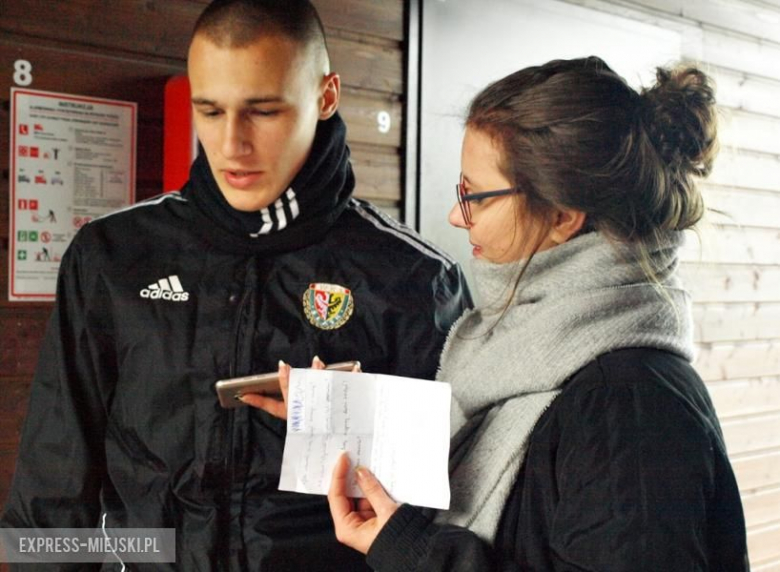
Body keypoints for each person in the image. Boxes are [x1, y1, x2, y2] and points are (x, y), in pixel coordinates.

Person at [0, 1, 471, 570]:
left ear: (325, 96)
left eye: (263, 111)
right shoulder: (112, 256)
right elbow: (52, 490)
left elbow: (451, 506)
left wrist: (359, 420)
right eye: (211, 111)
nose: (230, 145)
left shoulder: (412, 277)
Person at [321, 57, 749, 570]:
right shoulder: (532, 347)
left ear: (563, 217)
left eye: (475, 196)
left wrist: (413, 551)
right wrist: (343, 423)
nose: (457, 216)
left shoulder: (627, 405)